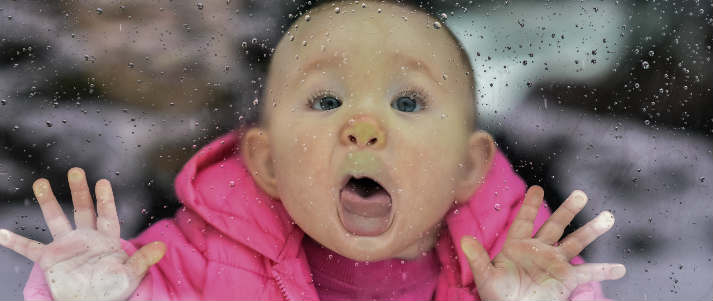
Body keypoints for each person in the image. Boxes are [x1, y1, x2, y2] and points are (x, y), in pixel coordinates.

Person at [0, 1, 626, 300]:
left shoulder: (516, 264)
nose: (363, 127)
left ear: (467, 167)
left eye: (407, 103)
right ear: (267, 164)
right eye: (326, 102)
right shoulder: (187, 263)